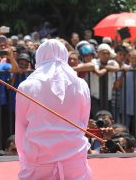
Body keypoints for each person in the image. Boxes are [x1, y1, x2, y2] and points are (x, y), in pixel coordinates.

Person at [15, 39, 92, 180]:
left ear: (39, 57)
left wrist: (24, 159)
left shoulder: (26, 86)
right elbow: (83, 123)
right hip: (74, 157)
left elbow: (20, 128)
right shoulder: (81, 85)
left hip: (38, 159)